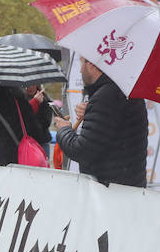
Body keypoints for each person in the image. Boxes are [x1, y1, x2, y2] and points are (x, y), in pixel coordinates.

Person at [54, 58, 148, 187]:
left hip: (110, 192)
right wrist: (91, 111)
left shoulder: (106, 96)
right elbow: (115, 128)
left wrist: (63, 129)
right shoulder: (123, 91)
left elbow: (82, 152)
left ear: (92, 64)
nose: (81, 70)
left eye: (82, 64)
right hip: (127, 187)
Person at [25, 85, 53, 157]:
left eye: (31, 85)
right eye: (27, 85)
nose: (29, 87)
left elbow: (46, 122)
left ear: (37, 85)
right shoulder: (22, 98)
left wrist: (42, 105)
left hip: (42, 140)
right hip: (27, 140)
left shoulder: (45, 99)